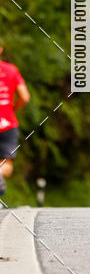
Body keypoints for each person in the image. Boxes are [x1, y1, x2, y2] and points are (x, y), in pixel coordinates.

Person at [0, 43, 30, 196]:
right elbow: (25, 97)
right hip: (7, 123)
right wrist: (13, 109)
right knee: (6, 162)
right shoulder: (11, 70)